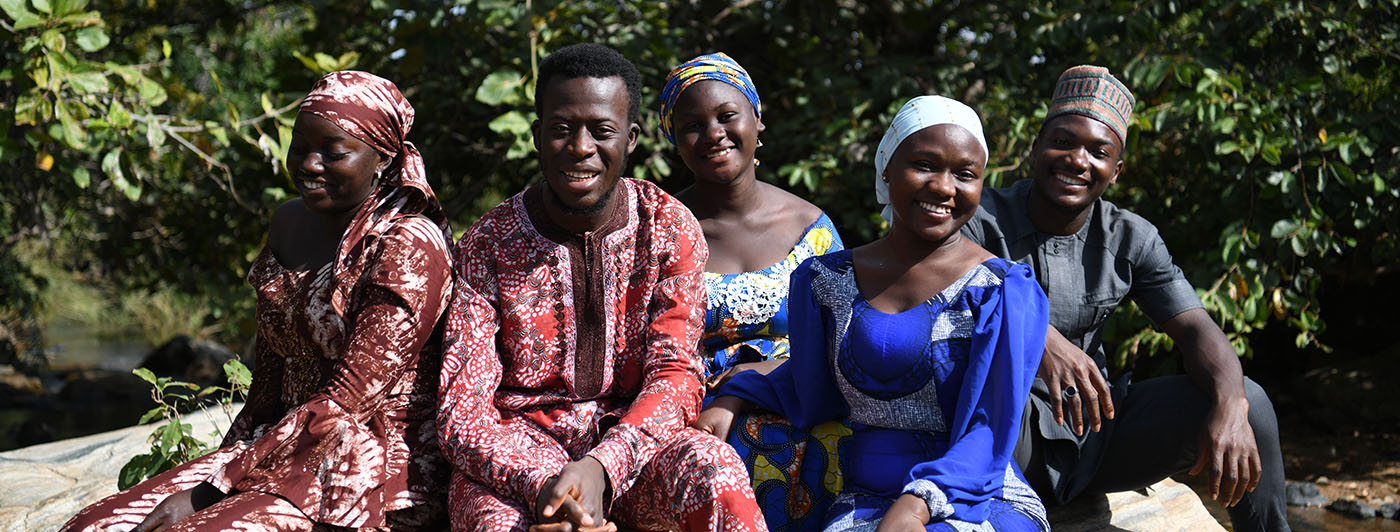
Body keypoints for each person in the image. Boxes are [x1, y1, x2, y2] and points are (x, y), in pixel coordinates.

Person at [62, 71, 454, 531]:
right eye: (300, 146)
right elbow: (267, 384)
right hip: (277, 448)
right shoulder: (289, 222)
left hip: (367, 467)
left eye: (333, 152)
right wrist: (219, 468)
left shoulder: (409, 244)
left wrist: (211, 492)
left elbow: (348, 401)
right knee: (94, 525)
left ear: (382, 159)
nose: (309, 164)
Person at [437, 43, 765, 532]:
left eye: (601, 131)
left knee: (715, 474)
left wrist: (600, 468)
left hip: (636, 445)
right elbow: (462, 411)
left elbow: (676, 375)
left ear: (630, 139)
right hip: (518, 457)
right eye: (561, 130)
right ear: (536, 135)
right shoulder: (489, 242)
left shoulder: (668, 227)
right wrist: (547, 484)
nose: (580, 148)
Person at [961, 65, 1290, 532]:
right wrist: (1039, 337)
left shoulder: (1131, 237)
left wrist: (1231, 408)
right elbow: (944, 267)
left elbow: (1196, 328)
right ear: (1035, 148)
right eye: (1063, 142)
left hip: (1094, 433)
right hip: (1004, 430)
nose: (1077, 159)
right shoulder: (979, 216)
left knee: (1247, 399)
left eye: (1098, 151)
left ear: (1115, 171)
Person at [700, 95, 1051, 531]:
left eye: (965, 175)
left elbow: (990, 431)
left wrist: (916, 505)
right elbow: (815, 389)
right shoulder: (826, 280)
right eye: (924, 164)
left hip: (975, 497)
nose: (944, 187)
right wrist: (737, 394)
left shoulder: (1001, 290)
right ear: (886, 167)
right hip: (867, 500)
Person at [658, 52, 848, 531]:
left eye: (727, 115)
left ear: (757, 120)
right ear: (675, 141)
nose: (714, 133)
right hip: (699, 417)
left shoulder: (812, 230)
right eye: (692, 125)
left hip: (801, 396)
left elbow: (842, 340)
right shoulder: (663, 232)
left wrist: (751, 383)